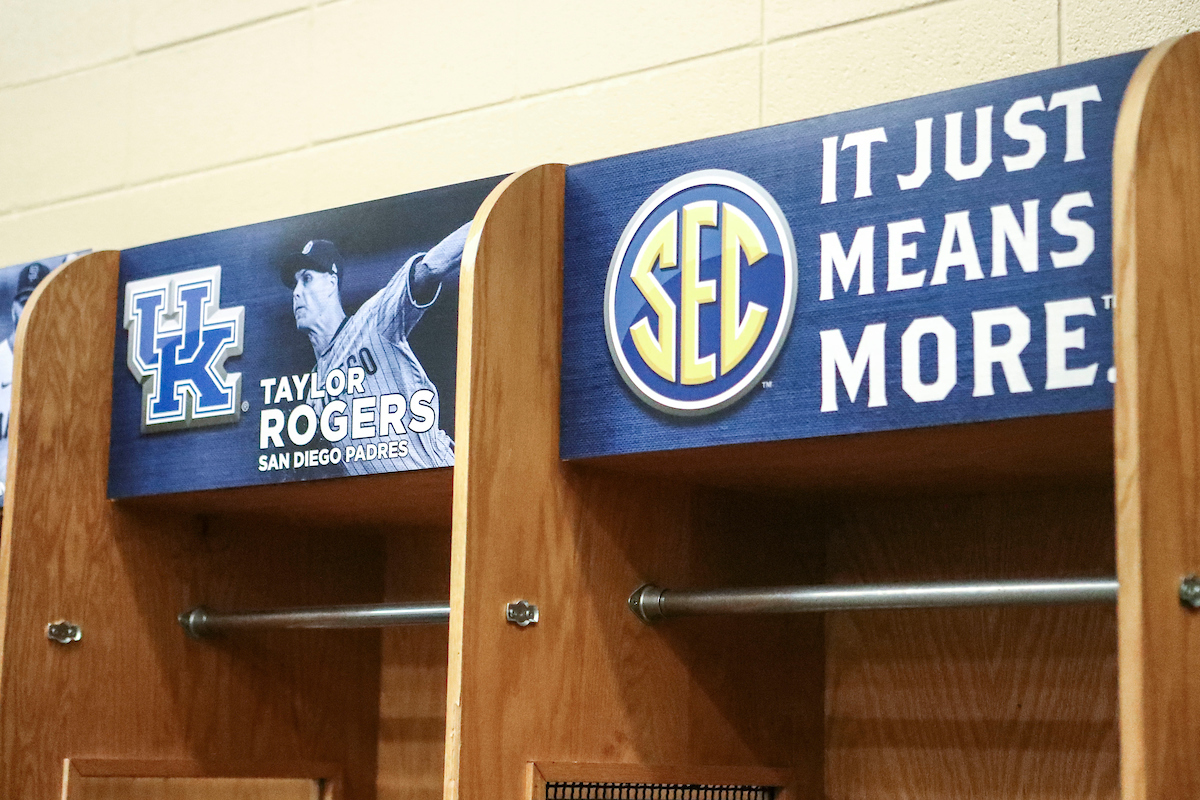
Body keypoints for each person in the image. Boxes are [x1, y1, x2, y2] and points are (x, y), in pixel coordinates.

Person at [280, 223, 469, 474]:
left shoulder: (372, 319)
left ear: (332, 281)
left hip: (441, 480)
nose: (297, 293)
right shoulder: (312, 392)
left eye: (307, 279)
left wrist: (487, 222)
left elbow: (431, 266)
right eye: (294, 284)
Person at [0, 262, 53, 503]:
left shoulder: (57, 370)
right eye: (24, 303)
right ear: (13, 308)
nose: (29, 311)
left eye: (36, 302)